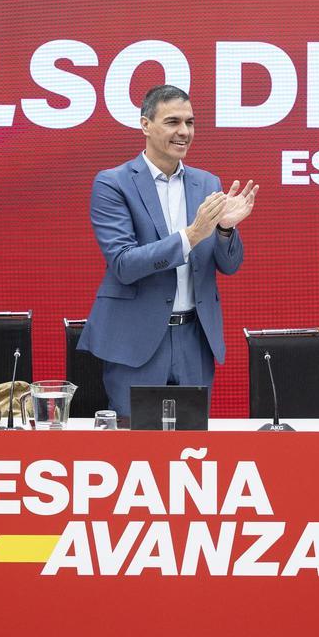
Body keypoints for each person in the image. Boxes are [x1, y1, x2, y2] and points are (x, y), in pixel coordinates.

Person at [78, 85, 257, 417]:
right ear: (145, 124)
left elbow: (229, 266)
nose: (184, 132)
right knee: (135, 448)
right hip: (137, 342)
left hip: (194, 340)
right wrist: (191, 235)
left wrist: (225, 229)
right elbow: (123, 263)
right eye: (173, 121)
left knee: (191, 448)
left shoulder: (207, 183)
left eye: (190, 122)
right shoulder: (113, 183)